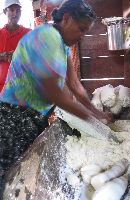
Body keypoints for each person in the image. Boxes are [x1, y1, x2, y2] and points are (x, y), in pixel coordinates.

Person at [0, 0, 113, 186]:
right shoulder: (46, 36)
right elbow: (55, 94)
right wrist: (93, 122)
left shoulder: (62, 45)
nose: (83, 36)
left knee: (17, 178)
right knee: (8, 179)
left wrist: (100, 115)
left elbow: (76, 86)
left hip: (32, 118)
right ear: (67, 19)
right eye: (81, 29)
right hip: (12, 119)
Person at [0, 0, 31, 91]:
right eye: (12, 10)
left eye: (18, 10)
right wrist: (3, 56)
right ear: (5, 11)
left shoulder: (28, 33)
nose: (15, 13)